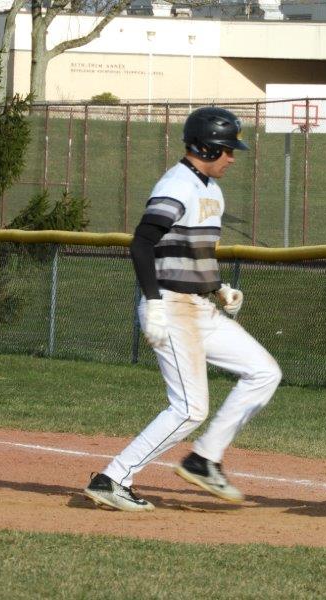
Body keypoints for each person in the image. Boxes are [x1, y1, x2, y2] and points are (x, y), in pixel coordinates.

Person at [84, 107, 282, 512]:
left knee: (264, 372)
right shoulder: (177, 185)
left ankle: (204, 458)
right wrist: (154, 304)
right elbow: (142, 244)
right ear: (206, 146)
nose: (232, 157)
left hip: (196, 306)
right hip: (170, 306)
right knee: (190, 408)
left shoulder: (210, 188)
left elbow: (190, 249)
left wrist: (217, 287)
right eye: (227, 149)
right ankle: (113, 478)